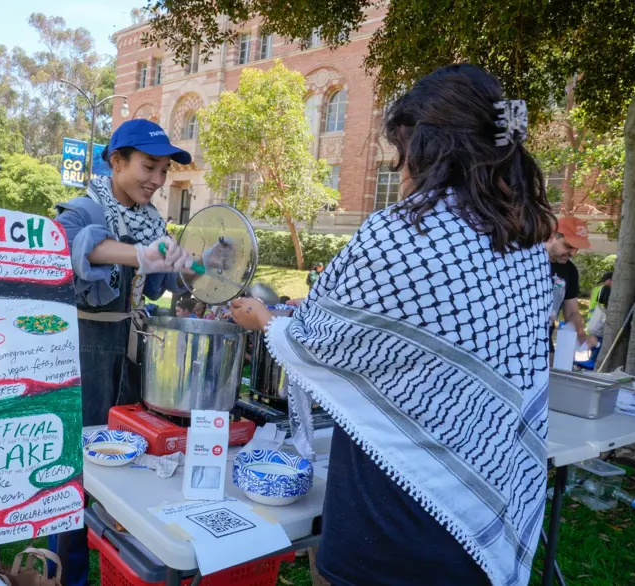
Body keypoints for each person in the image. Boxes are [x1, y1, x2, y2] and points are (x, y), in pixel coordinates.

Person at [232, 64, 553, 586]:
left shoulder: (404, 234)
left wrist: (265, 318)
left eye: (403, 154)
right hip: (482, 508)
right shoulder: (525, 242)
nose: (402, 170)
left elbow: (319, 341)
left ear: (428, 150)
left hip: (390, 520)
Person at [54, 118, 197, 586]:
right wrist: (137, 254)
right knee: (77, 473)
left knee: (126, 467)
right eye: (148, 167)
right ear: (116, 162)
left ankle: (123, 568)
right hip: (83, 355)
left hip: (131, 357)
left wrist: (200, 267)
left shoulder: (151, 222)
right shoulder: (82, 209)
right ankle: (66, 576)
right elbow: (64, 246)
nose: (157, 180)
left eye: (164, 172)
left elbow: (164, 279)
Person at [546, 216, 598, 349]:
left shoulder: (570, 270)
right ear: (551, 237)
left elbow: (571, 312)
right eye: (568, 246)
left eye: (577, 248)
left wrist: (581, 334)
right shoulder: (528, 262)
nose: (573, 253)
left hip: (544, 337)